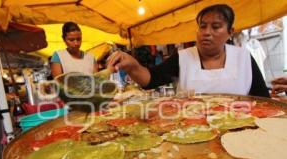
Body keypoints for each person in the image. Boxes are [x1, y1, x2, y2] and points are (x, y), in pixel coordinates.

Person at [107, 4, 269, 98]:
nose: (207, 32)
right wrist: (132, 65)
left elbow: (263, 101)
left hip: (239, 135)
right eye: (202, 26)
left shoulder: (244, 58)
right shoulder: (183, 58)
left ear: (230, 32)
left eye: (216, 26)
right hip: (190, 136)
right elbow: (151, 80)